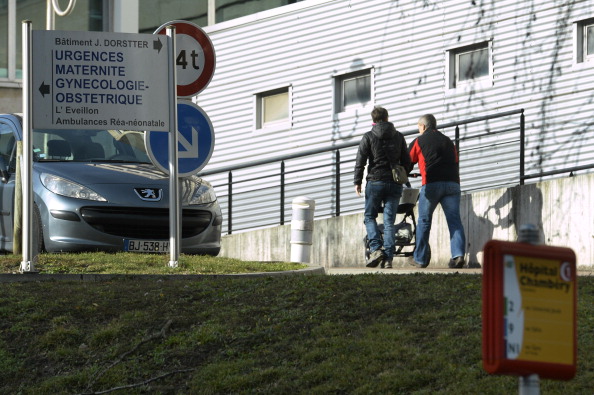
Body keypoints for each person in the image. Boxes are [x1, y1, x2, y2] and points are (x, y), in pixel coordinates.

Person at [354, 106, 411, 269]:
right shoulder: (399, 136)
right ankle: (388, 259)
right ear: (387, 118)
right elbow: (407, 161)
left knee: (369, 216)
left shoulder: (369, 136)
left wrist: (357, 181)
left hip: (375, 181)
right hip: (394, 183)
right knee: (389, 221)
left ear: (373, 120)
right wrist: (402, 172)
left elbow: (360, 161)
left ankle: (375, 248)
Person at [408, 114, 466, 268]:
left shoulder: (419, 141)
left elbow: (408, 161)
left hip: (431, 184)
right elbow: (455, 161)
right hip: (453, 184)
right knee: (454, 221)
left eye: (418, 127)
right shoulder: (448, 141)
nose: (418, 130)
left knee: (424, 221)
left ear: (423, 126)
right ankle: (458, 255)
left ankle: (419, 258)